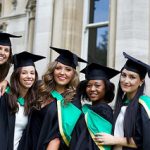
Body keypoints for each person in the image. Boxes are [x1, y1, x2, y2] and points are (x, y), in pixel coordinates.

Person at [24, 46, 87, 150]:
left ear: (73, 74)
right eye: (58, 68)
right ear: (53, 71)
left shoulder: (73, 102)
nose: (62, 73)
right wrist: (5, 82)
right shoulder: (40, 89)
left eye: (68, 69)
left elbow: (58, 137)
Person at [95, 52, 150, 150]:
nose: (126, 81)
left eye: (132, 77)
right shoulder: (123, 104)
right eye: (123, 75)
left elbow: (144, 141)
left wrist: (114, 140)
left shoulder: (144, 105)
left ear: (141, 81)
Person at [0, 51, 45, 150]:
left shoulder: (34, 102)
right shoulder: (4, 96)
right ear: (17, 75)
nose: (29, 76)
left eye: (32, 73)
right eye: (24, 73)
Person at [69, 63, 120, 150]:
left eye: (97, 85)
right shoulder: (88, 109)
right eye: (89, 85)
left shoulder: (103, 110)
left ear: (106, 88)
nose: (92, 89)